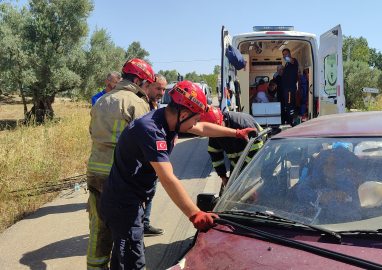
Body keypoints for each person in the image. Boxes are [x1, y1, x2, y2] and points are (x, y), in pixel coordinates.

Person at [99, 81, 257, 270]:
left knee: (121, 262)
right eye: (195, 119)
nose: (196, 124)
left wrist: (236, 133)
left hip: (128, 201)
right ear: (183, 115)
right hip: (121, 205)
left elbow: (203, 129)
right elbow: (167, 178)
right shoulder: (151, 130)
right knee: (134, 264)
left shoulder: (170, 120)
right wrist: (195, 214)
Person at [86, 58, 154, 270]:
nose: (147, 89)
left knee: (99, 228)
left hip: (94, 172)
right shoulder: (136, 103)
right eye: (147, 84)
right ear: (137, 80)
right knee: (127, 229)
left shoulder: (101, 101)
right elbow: (146, 141)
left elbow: (91, 133)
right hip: (119, 177)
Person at [201, 106, 265, 195]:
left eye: (217, 130)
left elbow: (257, 149)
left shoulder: (242, 124)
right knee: (234, 192)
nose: (216, 134)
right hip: (238, 162)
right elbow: (215, 153)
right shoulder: (213, 132)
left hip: (261, 159)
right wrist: (222, 176)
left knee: (255, 190)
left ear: (221, 121)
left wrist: (242, 173)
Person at [293, 147, 361, 225]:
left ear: (339, 165)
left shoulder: (348, 185)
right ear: (321, 165)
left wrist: (331, 201)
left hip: (339, 230)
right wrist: (330, 193)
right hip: (308, 229)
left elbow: (355, 214)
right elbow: (300, 192)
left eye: (333, 163)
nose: (329, 166)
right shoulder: (313, 179)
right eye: (326, 163)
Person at [142, 74, 168, 235]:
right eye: (158, 88)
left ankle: (144, 224)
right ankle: (140, 226)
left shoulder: (155, 105)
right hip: (143, 160)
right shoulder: (142, 104)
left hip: (152, 159)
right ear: (148, 86)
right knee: (144, 194)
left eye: (164, 89)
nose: (161, 92)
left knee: (150, 193)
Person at [282, 48, 299, 126]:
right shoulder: (286, 64)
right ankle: (287, 121)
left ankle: (289, 122)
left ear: (289, 53)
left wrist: (289, 59)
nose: (284, 55)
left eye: (286, 53)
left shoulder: (293, 61)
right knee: (287, 106)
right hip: (286, 88)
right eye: (283, 54)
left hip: (290, 88)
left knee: (289, 105)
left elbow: (292, 61)